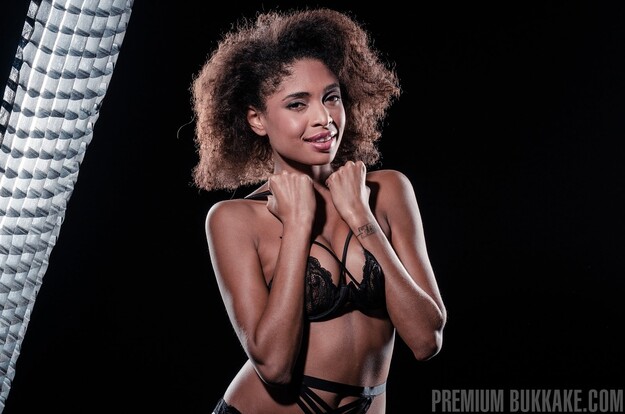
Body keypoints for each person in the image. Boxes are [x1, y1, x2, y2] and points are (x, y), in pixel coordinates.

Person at [190, 7, 447, 414]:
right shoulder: (235, 219)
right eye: (297, 105)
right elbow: (274, 367)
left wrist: (361, 218)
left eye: (331, 97)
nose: (324, 118)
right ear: (257, 119)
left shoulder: (388, 191)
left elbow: (426, 340)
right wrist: (297, 223)